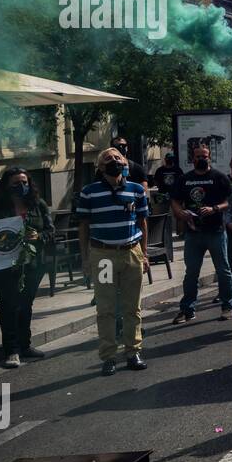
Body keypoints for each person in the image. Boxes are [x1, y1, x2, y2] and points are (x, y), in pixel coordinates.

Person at [76, 147, 149, 376]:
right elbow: (84, 227)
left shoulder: (136, 190)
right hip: (104, 256)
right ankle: (108, 356)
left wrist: (144, 254)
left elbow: (143, 223)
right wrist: (86, 258)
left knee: (132, 307)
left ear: (125, 162)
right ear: (99, 167)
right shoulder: (89, 193)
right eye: (108, 159)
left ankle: (133, 351)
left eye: (118, 157)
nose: (114, 161)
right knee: (106, 308)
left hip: (131, 253)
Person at [0, 168, 53, 368]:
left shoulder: (38, 205)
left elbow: (50, 230)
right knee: (9, 307)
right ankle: (11, 351)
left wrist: (39, 237)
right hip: (4, 267)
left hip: (32, 264)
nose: (21, 186)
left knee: (26, 306)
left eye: (24, 182)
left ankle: (25, 345)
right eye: (15, 183)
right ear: (6, 186)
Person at [172, 144, 232, 324]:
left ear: (210, 157)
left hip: (215, 232)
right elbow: (175, 202)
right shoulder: (184, 179)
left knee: (223, 271)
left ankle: (227, 306)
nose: (201, 159)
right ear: (193, 158)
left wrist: (214, 208)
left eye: (205, 156)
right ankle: (187, 309)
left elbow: (229, 201)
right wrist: (181, 213)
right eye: (198, 156)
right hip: (193, 234)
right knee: (191, 273)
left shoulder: (219, 177)